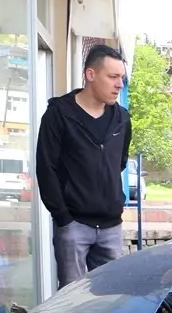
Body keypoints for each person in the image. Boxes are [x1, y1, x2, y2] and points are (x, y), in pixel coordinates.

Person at [36, 44, 132, 288]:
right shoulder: (59, 115)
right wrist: (63, 217)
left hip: (111, 225)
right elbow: (46, 169)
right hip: (74, 225)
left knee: (111, 299)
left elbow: (119, 161)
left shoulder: (122, 118)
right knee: (72, 301)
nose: (119, 84)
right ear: (90, 75)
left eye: (121, 77)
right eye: (113, 77)